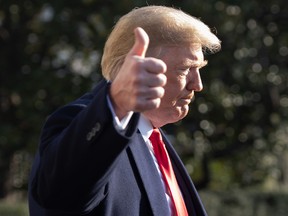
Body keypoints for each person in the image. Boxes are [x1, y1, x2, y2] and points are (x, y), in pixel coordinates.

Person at [29, 5, 221, 216]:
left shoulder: (155, 138)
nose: (197, 85)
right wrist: (116, 103)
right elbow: (57, 197)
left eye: (199, 69)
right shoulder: (87, 123)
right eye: (185, 69)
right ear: (137, 67)